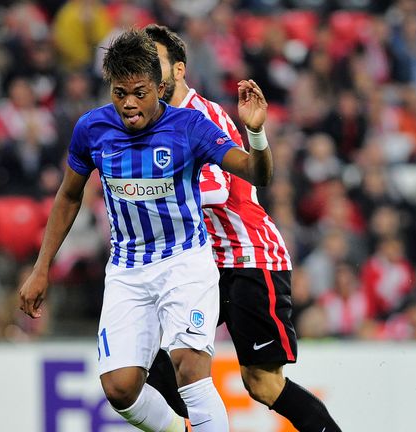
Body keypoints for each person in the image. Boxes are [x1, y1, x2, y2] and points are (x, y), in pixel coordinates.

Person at [19, 29, 273, 432]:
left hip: (185, 263)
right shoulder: (92, 129)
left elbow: (258, 173)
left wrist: (256, 133)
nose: (130, 104)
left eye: (140, 92)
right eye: (120, 93)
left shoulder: (190, 127)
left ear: (159, 86)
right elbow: (68, 197)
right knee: (120, 389)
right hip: (127, 271)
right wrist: (41, 267)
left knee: (190, 369)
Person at [144, 24, 342, 432]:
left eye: (156, 65)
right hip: (205, 264)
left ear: (179, 70)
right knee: (147, 353)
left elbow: (216, 189)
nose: (147, 74)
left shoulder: (203, 115)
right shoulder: (155, 125)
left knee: (262, 383)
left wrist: (148, 198)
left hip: (248, 254)